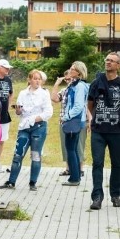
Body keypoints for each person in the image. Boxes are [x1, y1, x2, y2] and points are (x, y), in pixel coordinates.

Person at [1, 69, 53, 191]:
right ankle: (11, 182)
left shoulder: (44, 93)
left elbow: (48, 112)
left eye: (39, 79)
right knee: (18, 154)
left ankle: (32, 182)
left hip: (38, 127)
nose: (37, 81)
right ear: (29, 80)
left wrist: (36, 119)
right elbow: (20, 112)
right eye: (35, 78)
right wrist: (18, 110)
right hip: (24, 127)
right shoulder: (23, 93)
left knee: (35, 155)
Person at [87, 52, 120, 210]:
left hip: (117, 131)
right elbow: (90, 104)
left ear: (118, 66)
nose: (108, 63)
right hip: (98, 130)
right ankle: (97, 196)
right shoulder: (96, 82)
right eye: (107, 60)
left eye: (112, 61)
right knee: (97, 163)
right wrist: (93, 120)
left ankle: (116, 195)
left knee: (117, 164)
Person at [51, 70, 89, 176]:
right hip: (65, 122)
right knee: (66, 146)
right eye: (66, 76)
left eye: (69, 76)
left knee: (79, 145)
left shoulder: (80, 88)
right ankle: (68, 168)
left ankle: (80, 169)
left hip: (78, 121)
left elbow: (84, 105)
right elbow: (54, 98)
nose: (68, 78)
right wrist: (56, 84)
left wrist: (89, 120)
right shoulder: (65, 90)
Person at [60, 61, 88, 189]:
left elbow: (78, 106)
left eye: (72, 69)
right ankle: (75, 177)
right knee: (73, 149)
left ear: (78, 72)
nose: (70, 71)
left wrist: (66, 117)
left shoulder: (80, 86)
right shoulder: (73, 85)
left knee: (70, 149)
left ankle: (74, 178)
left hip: (73, 121)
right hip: (73, 120)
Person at [0, 59, 14, 162]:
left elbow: (10, 93)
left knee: (2, 139)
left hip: (4, 114)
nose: (8, 69)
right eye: (5, 67)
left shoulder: (8, 80)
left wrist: (8, 107)